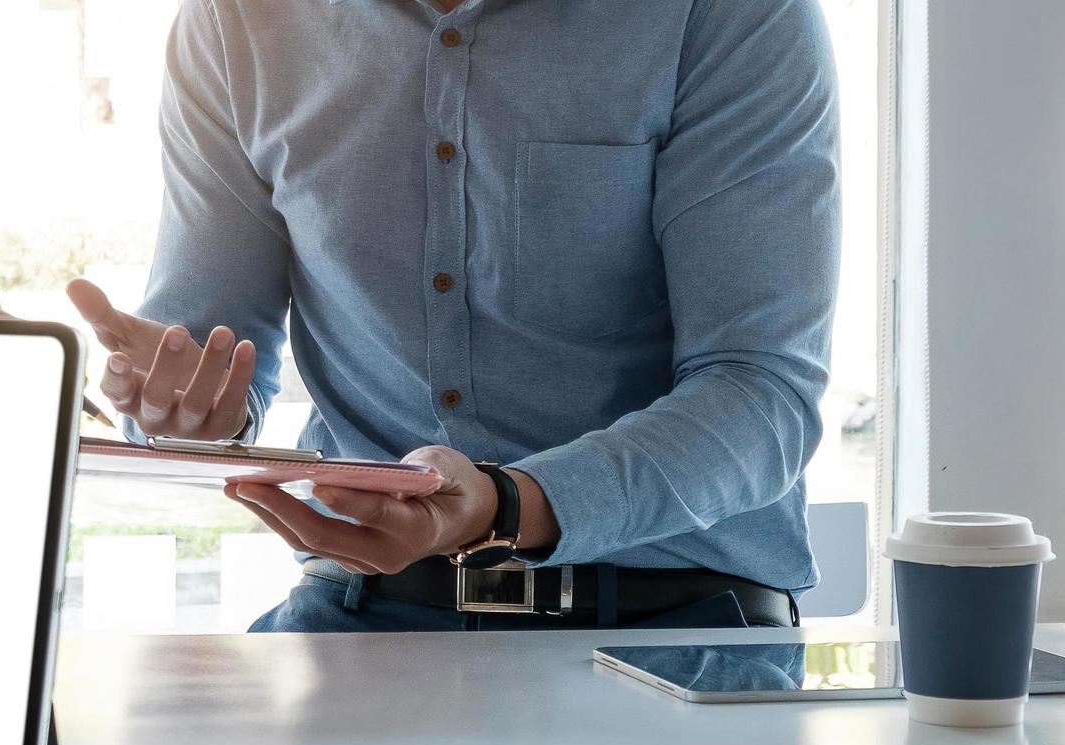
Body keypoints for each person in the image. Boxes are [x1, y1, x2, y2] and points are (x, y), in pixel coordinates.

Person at [73, 0, 838, 632]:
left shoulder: (729, 14)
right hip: (359, 620)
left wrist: (508, 507)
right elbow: (207, 354)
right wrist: (177, 404)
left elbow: (761, 395)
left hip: (679, 628)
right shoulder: (235, 21)